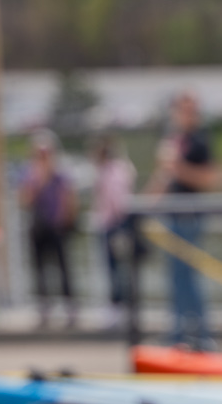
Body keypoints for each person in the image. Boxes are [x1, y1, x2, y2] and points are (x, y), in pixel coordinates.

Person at [144, 92, 217, 349]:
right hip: (172, 216)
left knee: (190, 277)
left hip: (191, 217)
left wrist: (177, 167)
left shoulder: (200, 141)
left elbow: (208, 179)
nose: (186, 115)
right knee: (175, 277)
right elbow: (163, 178)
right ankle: (178, 333)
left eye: (190, 110)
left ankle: (202, 335)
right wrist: (145, 205)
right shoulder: (175, 140)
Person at [20, 130, 77, 329]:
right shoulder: (30, 175)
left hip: (57, 227)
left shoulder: (61, 174)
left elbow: (69, 198)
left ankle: (70, 307)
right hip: (38, 227)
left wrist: (65, 221)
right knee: (40, 269)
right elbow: (25, 200)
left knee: (63, 268)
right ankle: (44, 307)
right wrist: (40, 178)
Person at [90, 133, 137, 317]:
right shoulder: (120, 169)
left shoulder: (111, 172)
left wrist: (118, 224)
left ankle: (118, 306)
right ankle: (122, 305)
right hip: (115, 223)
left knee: (115, 268)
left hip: (114, 225)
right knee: (120, 268)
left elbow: (117, 201)